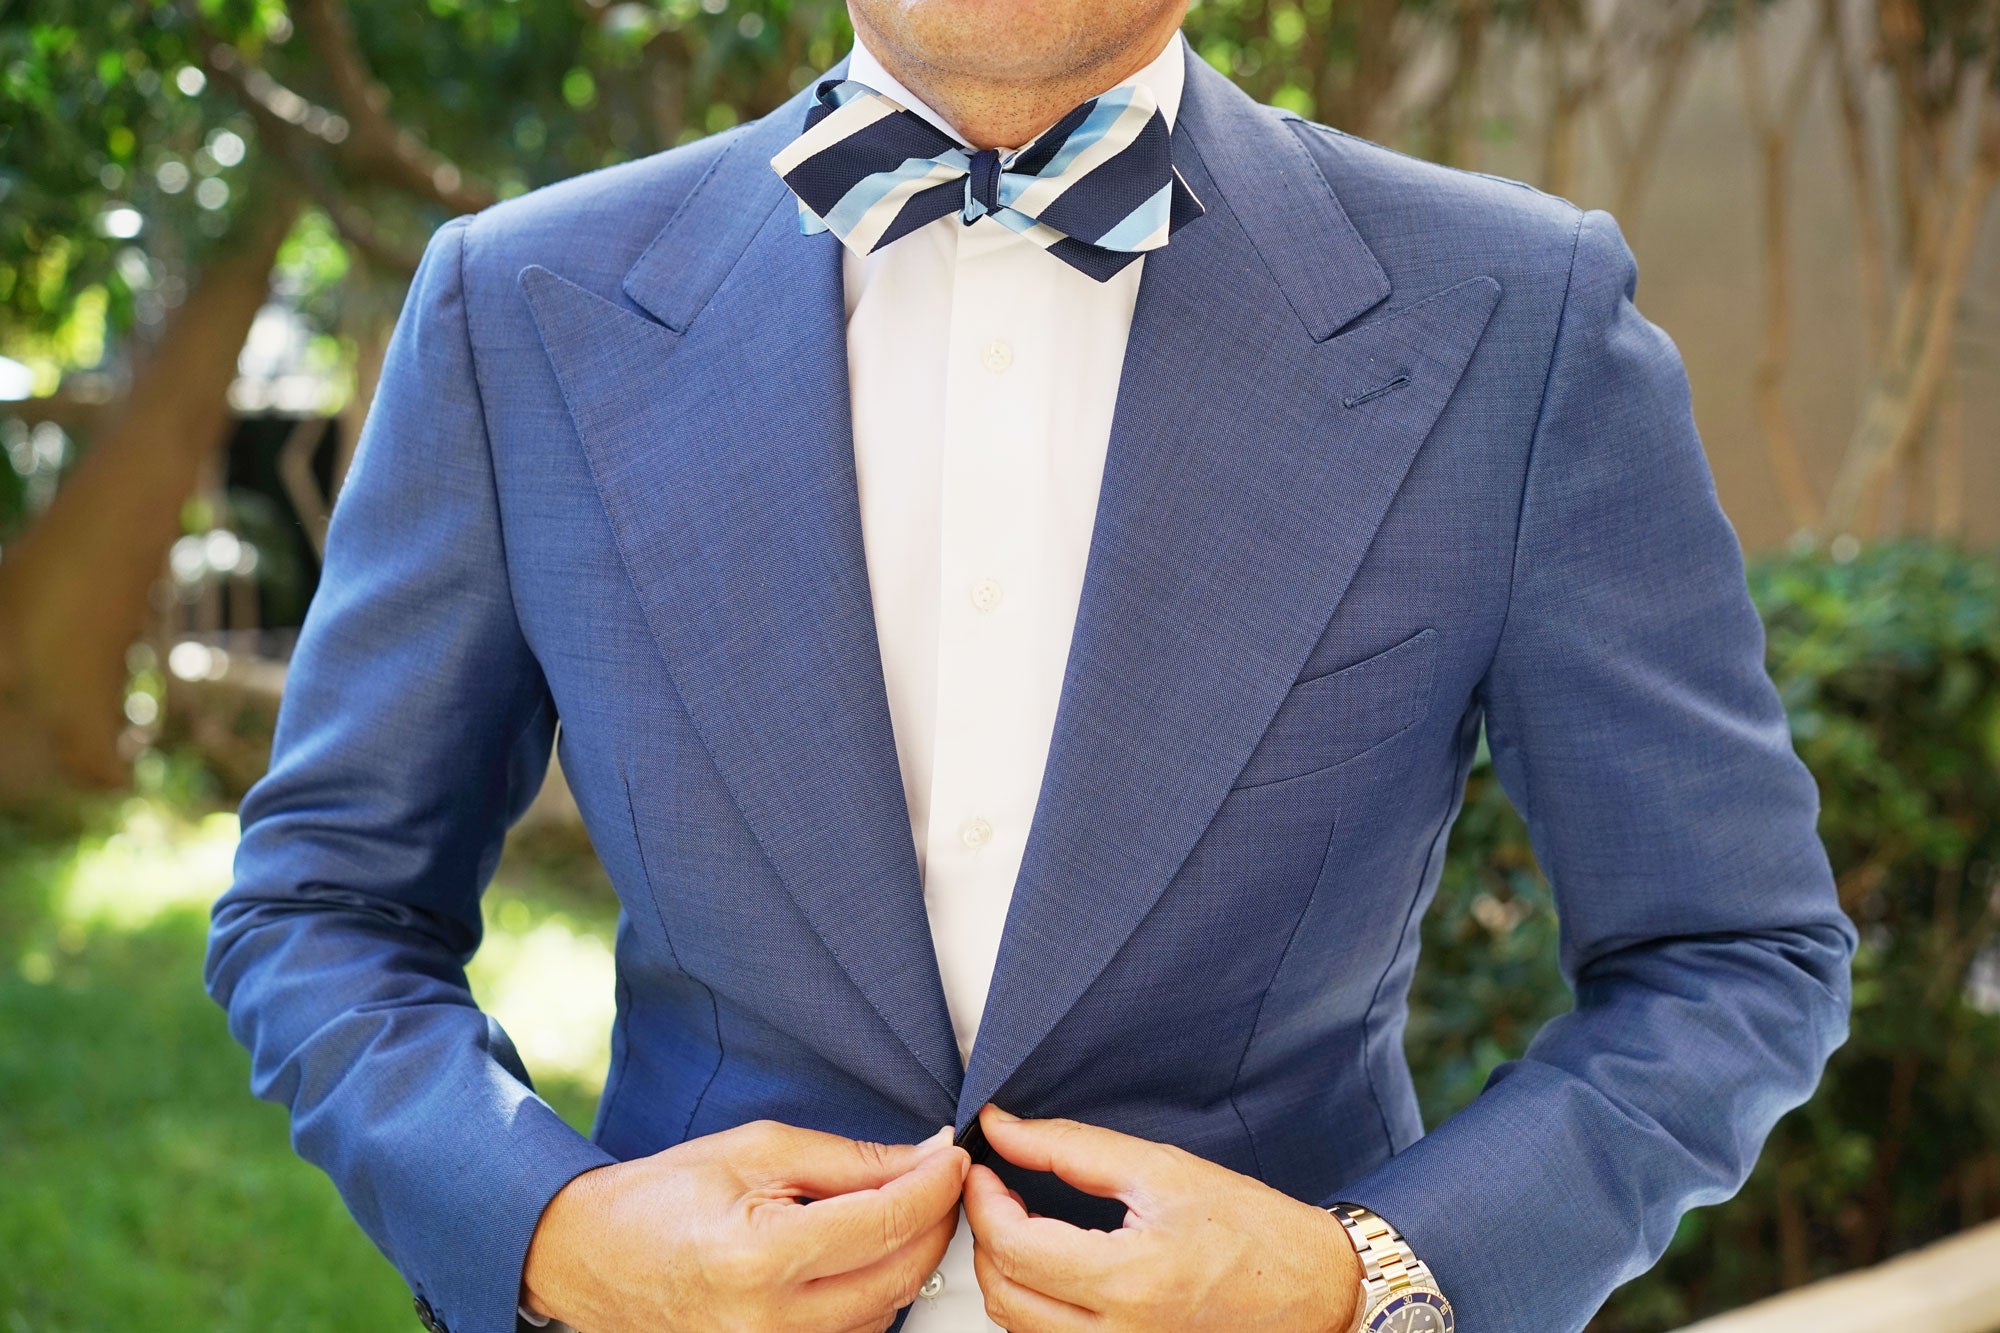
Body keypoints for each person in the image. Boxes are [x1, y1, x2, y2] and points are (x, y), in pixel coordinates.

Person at [205, 0, 1858, 1330]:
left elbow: (1732, 953)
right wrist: (547, 1236)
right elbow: (323, 908)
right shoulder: (521, 310)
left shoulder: (1519, 318)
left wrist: (1370, 1278)